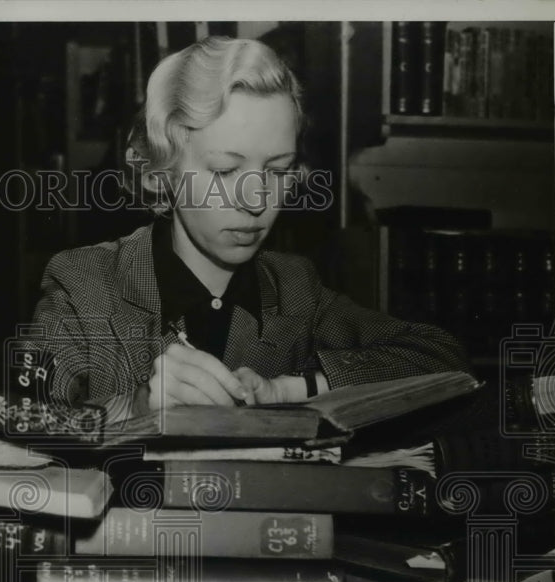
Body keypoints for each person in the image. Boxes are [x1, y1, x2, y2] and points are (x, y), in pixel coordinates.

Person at [28, 36, 469, 418]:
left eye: (277, 171)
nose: (256, 200)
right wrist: (136, 408)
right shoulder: (83, 284)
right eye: (225, 171)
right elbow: (26, 421)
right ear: (163, 170)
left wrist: (292, 389)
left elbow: (442, 357)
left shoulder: (296, 288)